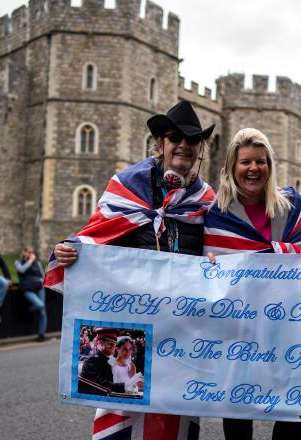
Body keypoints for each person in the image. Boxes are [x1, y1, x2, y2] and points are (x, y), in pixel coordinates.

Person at [46, 100, 213, 440]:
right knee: (123, 412)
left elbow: (225, 250)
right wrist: (68, 251)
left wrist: (218, 266)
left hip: (182, 330)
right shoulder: (126, 186)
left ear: (199, 150)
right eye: (174, 137)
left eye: (192, 140)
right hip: (131, 328)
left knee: (176, 416)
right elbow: (95, 239)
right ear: (160, 144)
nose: (183, 144)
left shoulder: (207, 200)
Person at [204, 128, 301, 440]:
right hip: (238, 327)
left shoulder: (294, 206)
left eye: (261, 161)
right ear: (232, 166)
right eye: (245, 162)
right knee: (236, 405)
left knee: (291, 404)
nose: (254, 168)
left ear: (270, 166)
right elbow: (201, 262)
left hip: (290, 324)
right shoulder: (215, 215)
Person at [79, 328, 142, 395]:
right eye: (110, 343)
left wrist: (131, 378)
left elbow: (113, 383)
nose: (113, 346)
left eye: (115, 343)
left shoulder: (108, 361)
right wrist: (126, 385)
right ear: (100, 342)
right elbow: (101, 385)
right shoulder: (92, 361)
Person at [14, 247, 47, 342]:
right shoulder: (18, 263)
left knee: (42, 311)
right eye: (28, 252)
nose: (30, 254)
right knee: (39, 305)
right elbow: (21, 270)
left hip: (39, 288)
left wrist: (41, 280)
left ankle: (41, 334)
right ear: (24, 252)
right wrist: (30, 261)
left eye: (32, 252)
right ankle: (28, 312)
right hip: (27, 289)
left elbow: (42, 275)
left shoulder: (37, 263)